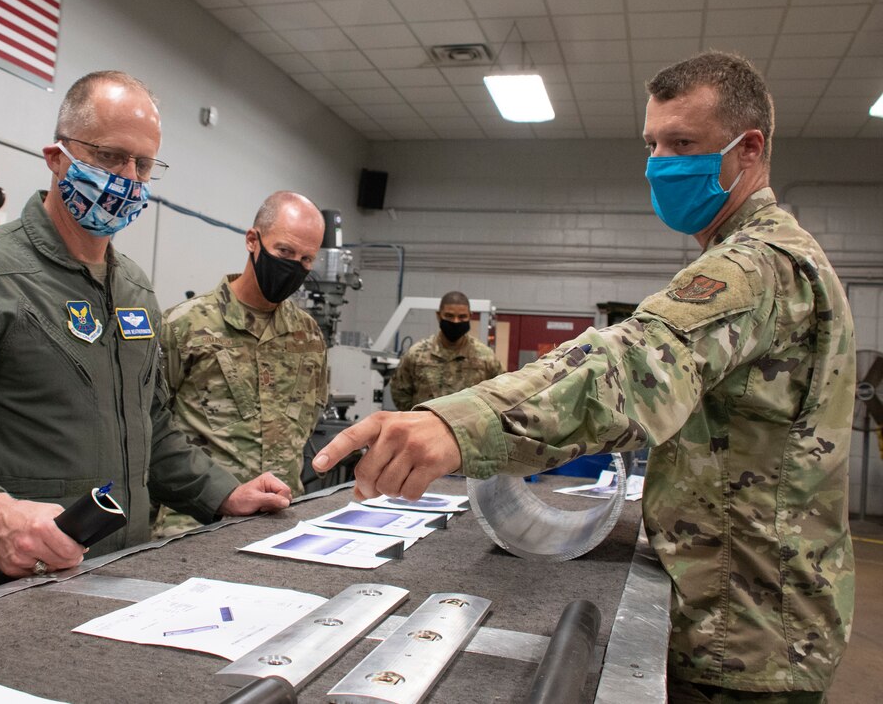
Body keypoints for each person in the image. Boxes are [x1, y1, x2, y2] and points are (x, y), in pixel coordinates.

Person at [312, 51, 855, 702]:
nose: (660, 163)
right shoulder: (771, 254)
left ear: (749, 150)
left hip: (744, 636)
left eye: (683, 143)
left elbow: (632, 367)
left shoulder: (756, 265)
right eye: (652, 144)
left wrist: (460, 422)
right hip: (751, 610)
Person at [0, 70, 292, 604]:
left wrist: (223, 493)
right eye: (108, 157)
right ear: (57, 157)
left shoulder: (133, 289)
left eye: (142, 164)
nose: (127, 178)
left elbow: (150, 431)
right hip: (2, 591)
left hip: (120, 584)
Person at [153, 192, 327, 536]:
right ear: (253, 241)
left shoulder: (308, 335)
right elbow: (153, 428)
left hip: (281, 523)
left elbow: (308, 419)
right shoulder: (184, 325)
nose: (295, 266)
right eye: (285, 252)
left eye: (307, 259)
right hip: (195, 524)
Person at [389, 291, 504, 411]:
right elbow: (399, 391)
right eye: (449, 316)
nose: (455, 322)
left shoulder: (485, 357)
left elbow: (501, 393)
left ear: (470, 316)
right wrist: (416, 416)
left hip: (469, 428)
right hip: (426, 427)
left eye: (462, 317)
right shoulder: (417, 354)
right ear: (439, 315)